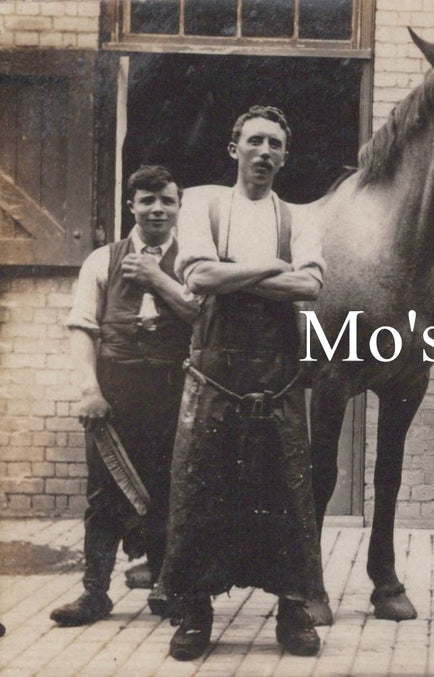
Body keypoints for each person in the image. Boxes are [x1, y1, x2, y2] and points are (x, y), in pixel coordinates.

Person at [160, 106, 326, 661]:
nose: (264, 152)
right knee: (199, 491)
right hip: (212, 376)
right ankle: (194, 613)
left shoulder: (298, 217)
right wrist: (272, 269)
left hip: (278, 380)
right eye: (254, 141)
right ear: (234, 149)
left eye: (275, 145)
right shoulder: (204, 204)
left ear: (284, 156)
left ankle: (294, 610)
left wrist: (235, 272)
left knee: (287, 493)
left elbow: (310, 288)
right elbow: (197, 275)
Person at [52, 165, 198, 626]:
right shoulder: (101, 259)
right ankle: (95, 594)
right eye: (148, 200)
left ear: (179, 207)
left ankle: (168, 588)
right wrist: (90, 391)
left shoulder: (195, 261)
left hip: (175, 393)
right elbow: (82, 328)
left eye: (167, 200)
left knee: (169, 490)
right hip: (115, 393)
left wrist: (158, 278)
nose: (157, 209)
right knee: (104, 495)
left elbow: (204, 319)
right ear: (131, 205)